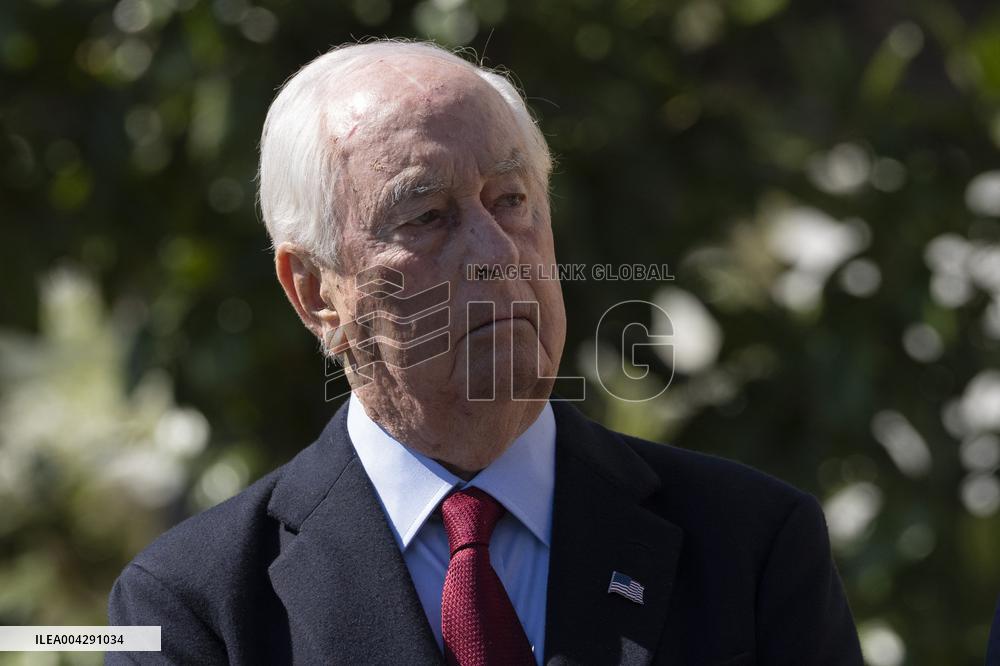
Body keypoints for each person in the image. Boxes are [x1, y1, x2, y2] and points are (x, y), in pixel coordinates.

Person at [106, 39, 863, 665]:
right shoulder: (190, 608)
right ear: (314, 292)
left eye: (512, 200)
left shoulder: (753, 546)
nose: (497, 252)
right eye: (428, 215)